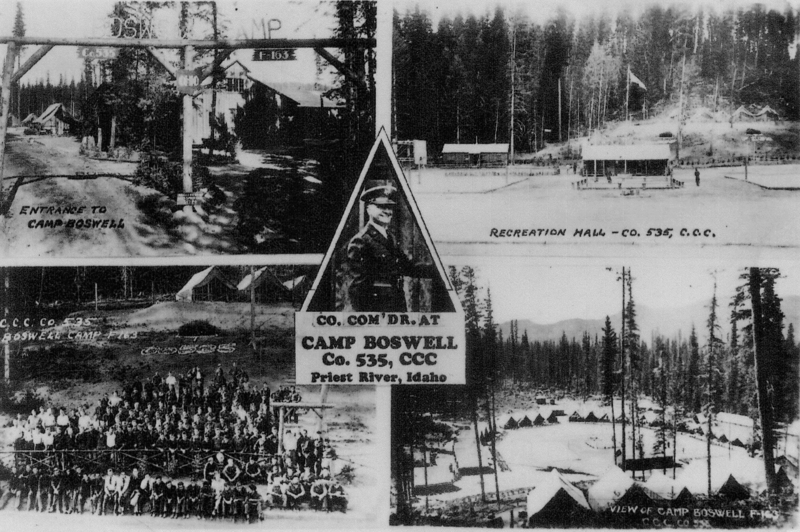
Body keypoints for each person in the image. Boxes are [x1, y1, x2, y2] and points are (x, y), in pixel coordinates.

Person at [346, 184, 434, 312]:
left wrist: (436, 271)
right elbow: (357, 288)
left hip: (396, 306)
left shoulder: (390, 238)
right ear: (369, 209)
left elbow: (408, 267)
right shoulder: (361, 241)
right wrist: (365, 319)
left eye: (389, 207)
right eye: (381, 207)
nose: (387, 211)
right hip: (375, 311)